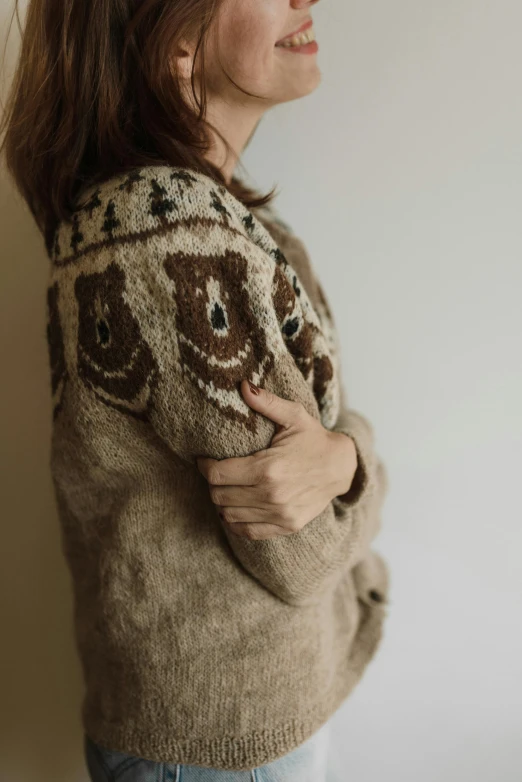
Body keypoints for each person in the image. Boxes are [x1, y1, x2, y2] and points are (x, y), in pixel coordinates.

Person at [0, 0, 391, 780]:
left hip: (230, 730)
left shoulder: (230, 226)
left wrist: (346, 458)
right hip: (222, 746)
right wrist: (362, 466)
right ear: (176, 44)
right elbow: (299, 549)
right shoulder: (172, 233)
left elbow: (320, 466)